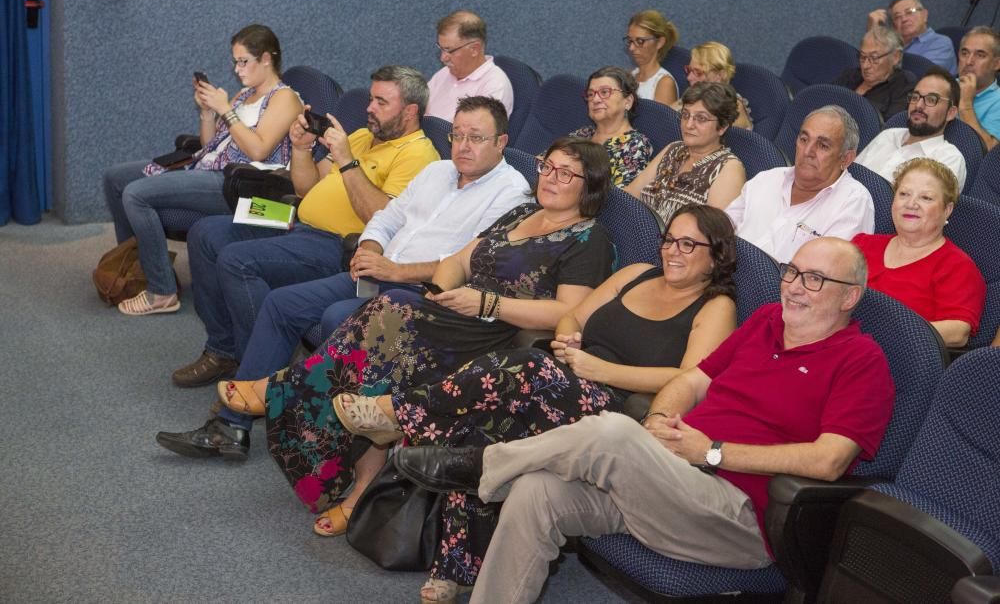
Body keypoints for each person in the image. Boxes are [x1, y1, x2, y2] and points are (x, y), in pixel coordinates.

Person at [156, 138, 616, 540]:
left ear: (588, 185)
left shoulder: (587, 237)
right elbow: (460, 257)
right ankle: (348, 474)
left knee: (387, 324)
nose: (551, 177)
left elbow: (567, 311)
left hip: (497, 335)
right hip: (454, 310)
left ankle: (285, 399)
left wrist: (486, 304)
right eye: (548, 166)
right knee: (381, 323)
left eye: (566, 173)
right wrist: (444, 287)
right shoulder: (523, 212)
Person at [395, 237, 895, 604]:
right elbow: (692, 381)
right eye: (791, 272)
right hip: (671, 481)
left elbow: (830, 461)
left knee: (612, 432)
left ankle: (482, 466)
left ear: (850, 297)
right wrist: (659, 420)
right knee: (536, 493)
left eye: (815, 280)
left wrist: (712, 451)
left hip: (739, 517)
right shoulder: (766, 321)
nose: (795, 288)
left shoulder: (862, 361)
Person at [332, 204, 740, 603]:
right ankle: (455, 565)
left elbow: (688, 379)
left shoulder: (716, 306)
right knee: (485, 429)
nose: (673, 251)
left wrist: (599, 370)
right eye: (669, 240)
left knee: (527, 365)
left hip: (615, 412)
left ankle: (401, 414)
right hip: (567, 377)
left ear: (716, 255)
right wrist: (568, 339)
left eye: (689, 245)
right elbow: (573, 316)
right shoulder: (635, 275)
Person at [169, 66, 438, 388]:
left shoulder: (418, 155)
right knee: (206, 231)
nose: (369, 108)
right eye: (371, 99)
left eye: (381, 102)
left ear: (410, 111)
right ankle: (222, 350)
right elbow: (306, 189)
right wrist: (301, 149)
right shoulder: (365, 136)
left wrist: (347, 161)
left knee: (237, 260)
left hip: (333, 243)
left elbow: (384, 219)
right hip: (291, 218)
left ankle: (256, 373)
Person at [232, 96, 531, 383]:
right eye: (457, 135)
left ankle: (320, 421)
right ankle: (238, 418)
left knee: (338, 317)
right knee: (281, 303)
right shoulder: (436, 171)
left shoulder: (510, 192)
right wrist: (369, 249)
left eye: (476, 138)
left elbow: (468, 262)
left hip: (422, 293)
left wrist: (396, 271)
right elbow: (388, 217)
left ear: (500, 142)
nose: (463, 146)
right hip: (379, 273)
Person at [102, 24, 303, 315]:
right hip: (210, 168)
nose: (237, 69)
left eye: (244, 61)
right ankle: (140, 269)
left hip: (243, 185)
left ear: (267, 59)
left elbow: (258, 150)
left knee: (136, 194)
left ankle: (161, 291)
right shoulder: (245, 95)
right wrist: (208, 113)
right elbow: (211, 145)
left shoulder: (285, 98)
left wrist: (226, 110)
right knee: (116, 179)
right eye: (235, 61)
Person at [853, 158, 985, 348]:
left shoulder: (957, 266)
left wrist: (889, 334)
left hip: (896, 358)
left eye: (926, 198)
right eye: (904, 194)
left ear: (947, 210)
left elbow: (958, 332)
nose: (911, 204)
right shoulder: (862, 244)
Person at [726, 105, 875, 262]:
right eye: (804, 140)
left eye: (823, 145)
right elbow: (719, 230)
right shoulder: (766, 179)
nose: (807, 151)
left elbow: (825, 274)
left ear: (846, 159)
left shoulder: (853, 203)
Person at [625, 82, 745, 224]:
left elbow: (712, 233)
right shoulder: (673, 149)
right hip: (637, 232)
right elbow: (628, 197)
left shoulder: (728, 168)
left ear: (722, 127)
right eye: (685, 115)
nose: (688, 125)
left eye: (701, 118)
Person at [856, 67, 966, 189]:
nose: (918, 105)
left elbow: (922, 206)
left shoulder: (948, 158)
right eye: (915, 97)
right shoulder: (888, 135)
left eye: (931, 99)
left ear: (951, 112)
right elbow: (849, 175)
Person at [568, 66, 653, 187]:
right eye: (591, 94)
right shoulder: (583, 133)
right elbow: (545, 165)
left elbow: (620, 201)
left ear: (628, 101)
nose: (595, 99)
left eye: (604, 92)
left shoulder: (634, 145)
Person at [425, 10, 514, 121]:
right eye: (441, 48)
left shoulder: (495, 85)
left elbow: (474, 134)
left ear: (474, 49)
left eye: (449, 50)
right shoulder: (444, 73)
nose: (443, 58)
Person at [832, 25, 916, 120]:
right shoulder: (850, 75)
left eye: (874, 58)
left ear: (896, 57)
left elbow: (889, 127)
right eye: (863, 57)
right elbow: (824, 100)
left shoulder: (904, 84)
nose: (865, 65)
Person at [868, 0, 957, 73]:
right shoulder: (892, 45)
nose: (904, 19)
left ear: (924, 15)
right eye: (897, 17)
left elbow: (920, 74)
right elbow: (868, 67)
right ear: (894, 26)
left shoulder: (941, 43)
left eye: (909, 12)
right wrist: (872, 32)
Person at [673, 41, 752, 130]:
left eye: (698, 73)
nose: (689, 77)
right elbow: (664, 115)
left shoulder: (733, 108)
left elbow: (730, 142)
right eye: (689, 70)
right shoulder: (694, 96)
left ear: (720, 75)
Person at [956, 26, 1000, 151]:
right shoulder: (943, 86)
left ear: (996, 64)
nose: (969, 61)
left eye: (980, 55)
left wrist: (965, 105)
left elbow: (990, 153)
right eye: (964, 53)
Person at [624, 9, 680, 106]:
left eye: (640, 41)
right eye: (630, 41)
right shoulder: (629, 76)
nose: (631, 48)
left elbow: (660, 121)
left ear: (659, 42)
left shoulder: (664, 83)